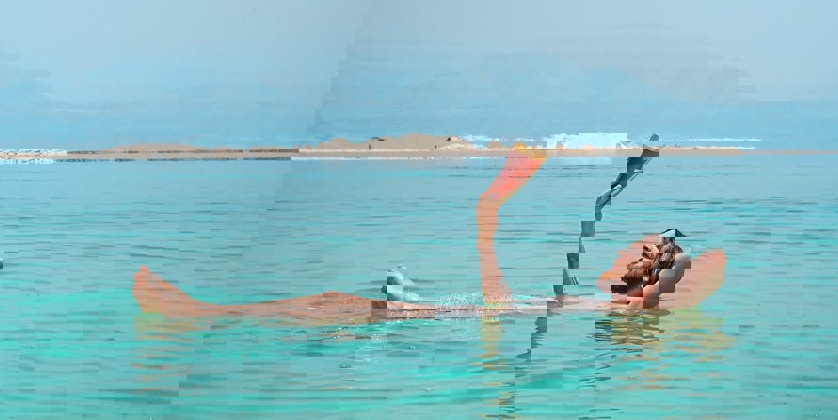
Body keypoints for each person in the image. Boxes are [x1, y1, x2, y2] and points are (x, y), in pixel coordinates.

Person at [133, 146, 726, 325]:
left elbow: (676, 279)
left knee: (337, 306)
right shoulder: (604, 302)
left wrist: (672, 255)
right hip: (460, 314)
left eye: (636, 251)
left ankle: (204, 316)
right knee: (335, 301)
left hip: (458, 319)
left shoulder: (619, 308)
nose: (625, 252)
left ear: (647, 272)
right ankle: (208, 313)